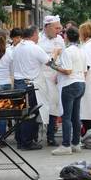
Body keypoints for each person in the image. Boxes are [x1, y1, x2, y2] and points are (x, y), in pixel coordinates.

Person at [13, 26, 50, 150]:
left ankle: (20, 139)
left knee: (20, 113)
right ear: (33, 34)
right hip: (29, 84)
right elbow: (49, 62)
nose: (38, 37)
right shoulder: (35, 48)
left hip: (18, 83)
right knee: (30, 113)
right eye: (37, 35)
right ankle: (27, 141)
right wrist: (56, 54)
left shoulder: (17, 47)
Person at [51, 27, 86, 155]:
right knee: (75, 116)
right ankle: (76, 143)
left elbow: (67, 70)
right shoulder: (81, 51)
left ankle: (66, 145)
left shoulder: (67, 51)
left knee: (66, 116)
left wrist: (54, 67)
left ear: (67, 37)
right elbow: (84, 69)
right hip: (81, 82)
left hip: (69, 84)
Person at [37, 15, 65, 146]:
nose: (58, 30)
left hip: (55, 77)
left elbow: (64, 57)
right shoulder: (38, 39)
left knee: (54, 106)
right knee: (41, 106)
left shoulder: (60, 39)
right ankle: (37, 134)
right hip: (41, 77)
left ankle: (51, 135)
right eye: (56, 27)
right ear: (47, 27)